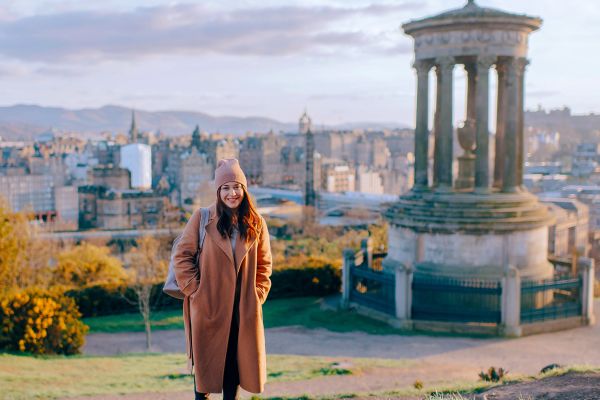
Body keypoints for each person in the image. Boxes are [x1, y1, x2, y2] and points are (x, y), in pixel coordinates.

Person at [173, 158, 272, 400]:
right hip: (209, 308)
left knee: (234, 371)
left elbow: (264, 266)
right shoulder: (202, 217)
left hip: (242, 310)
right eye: (225, 188)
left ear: (244, 189)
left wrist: (256, 296)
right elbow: (182, 257)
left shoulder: (256, 223)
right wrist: (196, 291)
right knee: (204, 378)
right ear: (218, 192)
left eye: (236, 186)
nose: (232, 193)